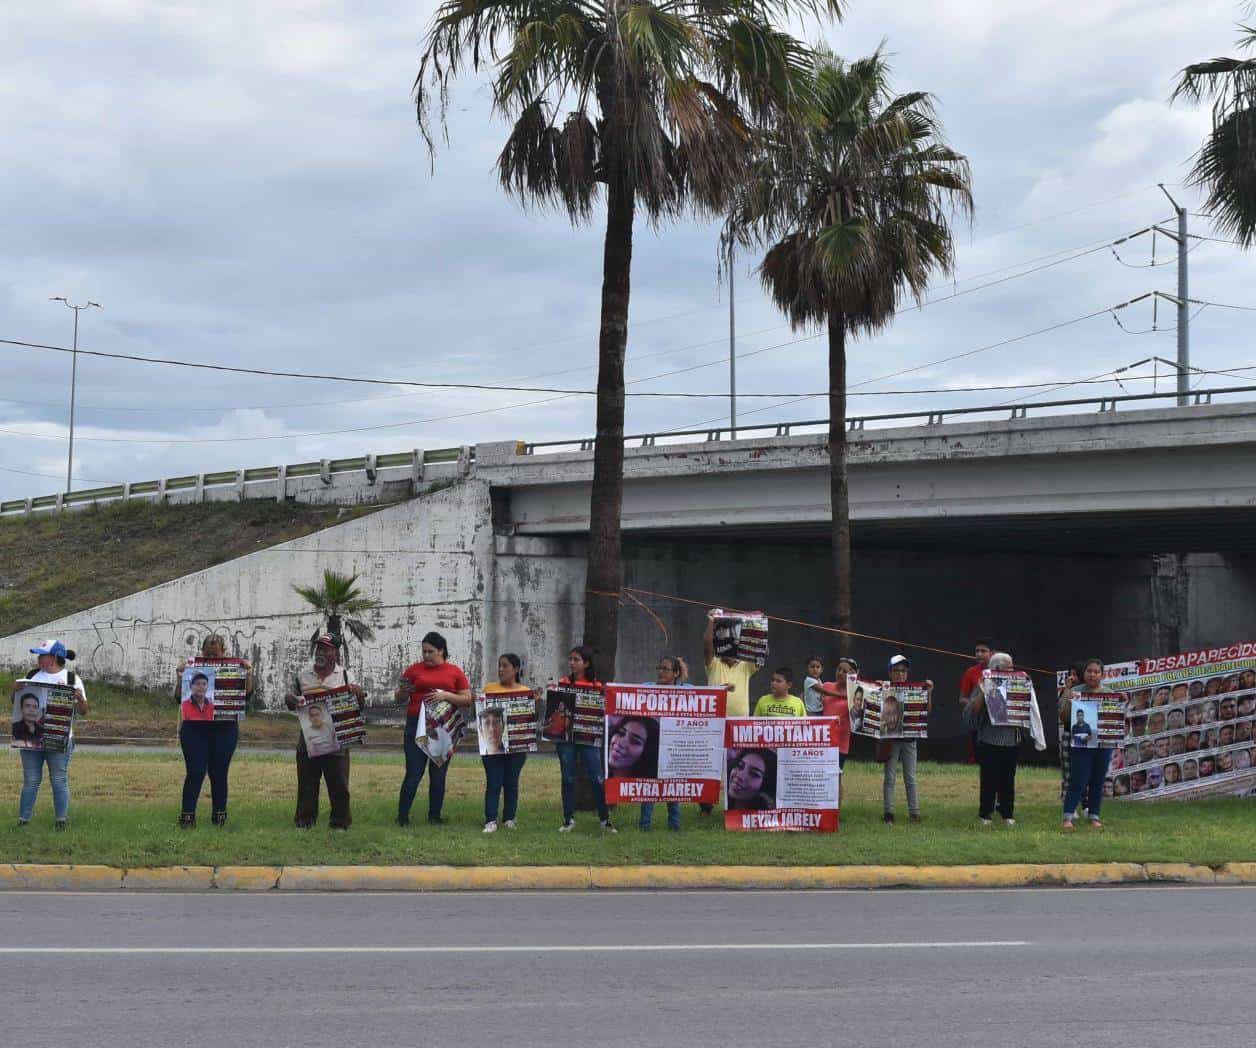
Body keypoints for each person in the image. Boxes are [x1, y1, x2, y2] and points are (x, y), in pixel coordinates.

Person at [283, 635, 365, 830]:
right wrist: (290, 699)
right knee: (307, 783)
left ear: (335, 653)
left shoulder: (346, 676)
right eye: (318, 648)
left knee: (339, 784)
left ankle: (340, 824)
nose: (320, 653)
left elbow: (358, 707)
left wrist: (359, 695)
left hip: (337, 738)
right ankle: (304, 822)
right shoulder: (303, 676)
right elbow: (291, 702)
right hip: (309, 738)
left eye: (326, 649)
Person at [396, 631, 473, 827]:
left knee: (438, 773)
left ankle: (435, 816)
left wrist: (446, 695)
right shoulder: (414, 670)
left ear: (442, 650)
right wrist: (402, 692)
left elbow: (467, 699)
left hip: (443, 727)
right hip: (416, 725)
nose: (427, 656)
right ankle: (402, 817)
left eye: (431, 652)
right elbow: (398, 698)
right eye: (424, 652)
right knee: (414, 772)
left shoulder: (454, 671)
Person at [173, 634, 251, 828]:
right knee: (195, 771)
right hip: (194, 730)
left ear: (224, 653)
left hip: (224, 729)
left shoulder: (233, 669)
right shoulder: (191, 669)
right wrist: (180, 677)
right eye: (207, 655)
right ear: (201, 653)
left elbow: (247, 694)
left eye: (215, 655)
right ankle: (187, 816)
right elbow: (177, 698)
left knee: (219, 772)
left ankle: (219, 816)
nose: (211, 660)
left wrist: (248, 672)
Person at [13, 640, 88, 830]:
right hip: (31, 739)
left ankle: (61, 821)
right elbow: (16, 703)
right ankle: (23, 820)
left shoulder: (72, 679)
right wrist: (14, 691)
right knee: (31, 779)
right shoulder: (31, 675)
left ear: (54, 658)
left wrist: (79, 699)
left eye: (42, 655)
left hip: (59, 737)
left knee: (58, 779)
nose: (38, 658)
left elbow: (84, 710)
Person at [701, 610, 760, 815]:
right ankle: (706, 805)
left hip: (738, 725)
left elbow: (760, 651)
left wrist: (756, 627)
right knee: (711, 764)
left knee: (735, 765)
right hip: (714, 723)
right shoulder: (714, 663)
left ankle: (733, 805)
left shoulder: (746, 666)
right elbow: (707, 646)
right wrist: (711, 623)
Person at [554, 645, 615, 834]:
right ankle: (568, 820)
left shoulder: (598, 687)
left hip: (589, 738)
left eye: (576, 660)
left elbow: (604, 713)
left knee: (597, 778)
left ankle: (604, 820)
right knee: (568, 778)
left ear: (586, 663)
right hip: (566, 739)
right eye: (570, 659)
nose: (571, 663)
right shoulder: (563, 683)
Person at [961, 651, 1023, 827]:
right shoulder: (985, 682)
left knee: (1008, 778)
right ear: (996, 669)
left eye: (1012, 667)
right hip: (989, 738)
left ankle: (1007, 813)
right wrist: (984, 688)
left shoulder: (1019, 682)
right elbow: (973, 710)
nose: (1012, 670)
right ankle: (985, 813)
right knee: (988, 778)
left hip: (1011, 738)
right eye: (1008, 668)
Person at [1060, 657, 1118, 831]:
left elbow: (1115, 720)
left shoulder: (1109, 693)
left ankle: (1094, 816)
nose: (1092, 675)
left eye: (1096, 672)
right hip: (1081, 743)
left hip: (1103, 743)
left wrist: (1121, 701)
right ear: (1083, 673)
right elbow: (1063, 717)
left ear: (1102, 675)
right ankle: (1068, 817)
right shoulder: (1075, 691)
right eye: (1089, 671)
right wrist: (1067, 695)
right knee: (1078, 780)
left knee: (1098, 781)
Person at [481, 652, 533, 833]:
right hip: (492, 745)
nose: (501, 669)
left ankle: (509, 818)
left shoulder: (525, 692)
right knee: (494, 782)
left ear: (516, 669)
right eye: (499, 665)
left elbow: (528, 721)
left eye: (505, 666)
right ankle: (490, 819)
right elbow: (481, 715)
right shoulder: (489, 689)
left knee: (511, 783)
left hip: (517, 746)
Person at [638, 654, 688, 832]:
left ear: (675, 673)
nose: (660, 672)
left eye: (665, 669)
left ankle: (674, 824)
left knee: (673, 783)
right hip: (653, 744)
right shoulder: (647, 687)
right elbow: (625, 692)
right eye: (659, 668)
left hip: (674, 744)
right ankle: (645, 824)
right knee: (649, 783)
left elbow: (707, 694)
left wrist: (722, 690)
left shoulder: (685, 689)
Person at [881, 654, 933, 825]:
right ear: (890, 672)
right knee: (890, 777)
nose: (900, 674)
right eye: (896, 671)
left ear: (907, 673)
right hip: (891, 738)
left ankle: (915, 813)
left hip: (910, 739)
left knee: (910, 777)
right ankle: (888, 812)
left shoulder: (915, 689)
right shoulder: (884, 688)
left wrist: (929, 693)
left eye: (903, 671)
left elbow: (925, 712)